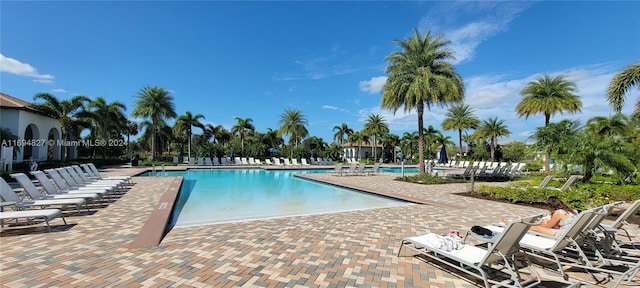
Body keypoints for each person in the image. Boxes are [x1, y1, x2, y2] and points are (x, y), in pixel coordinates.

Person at [501, 196, 577, 237]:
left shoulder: (558, 213)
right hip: (571, 232)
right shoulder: (571, 211)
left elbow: (547, 227)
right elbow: (558, 225)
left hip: (562, 234)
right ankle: (521, 222)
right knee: (538, 224)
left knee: (535, 227)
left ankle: (512, 224)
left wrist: (541, 224)